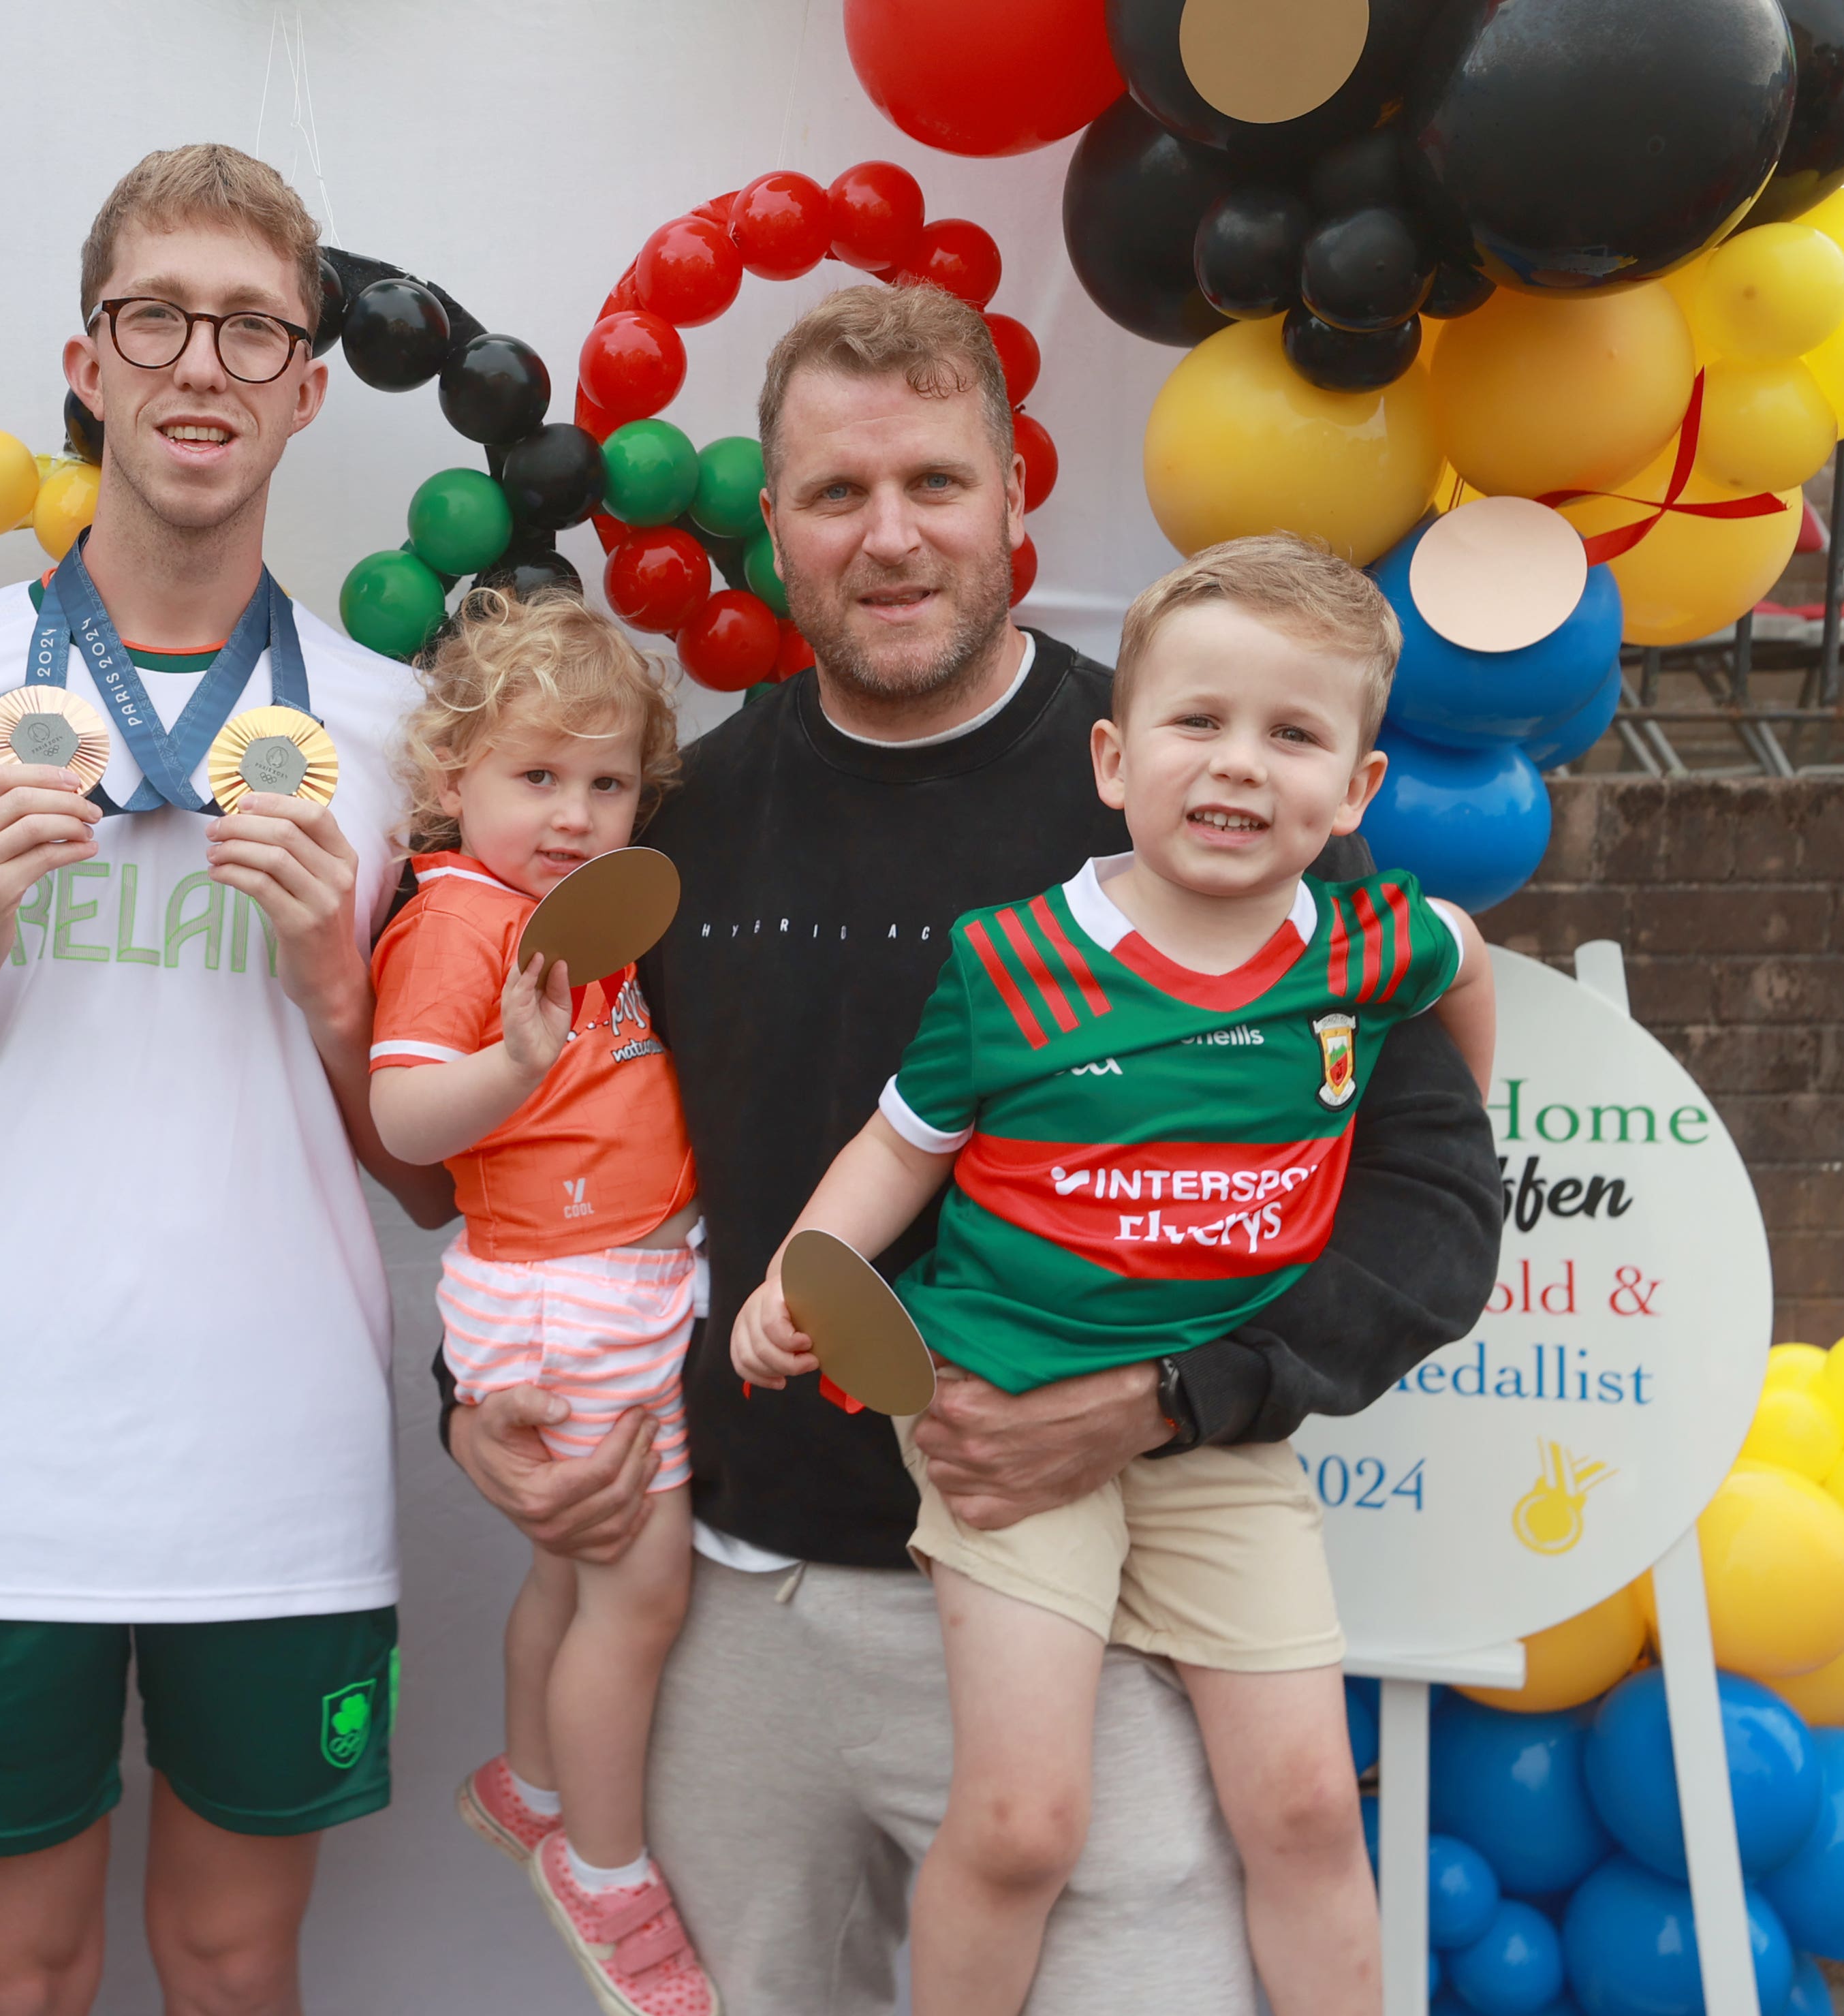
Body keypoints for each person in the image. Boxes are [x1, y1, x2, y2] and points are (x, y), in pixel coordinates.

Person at [442, 283, 1505, 2014]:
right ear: (770, 524)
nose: (888, 537)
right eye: (834, 494)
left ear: (1014, 494)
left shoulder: (1195, 777)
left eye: (934, 482)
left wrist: (1178, 1398)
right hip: (742, 1607)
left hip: (1107, 1606)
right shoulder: (679, 826)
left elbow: (1437, 1209)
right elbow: (545, 1152)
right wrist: (476, 1396)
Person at [0, 144, 450, 2016]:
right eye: (157, 315)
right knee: (13, 1975)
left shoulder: (398, 724)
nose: (202, 364)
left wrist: (335, 991)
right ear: (85, 362)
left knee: (235, 1963)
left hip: (277, 1465)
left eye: (253, 328)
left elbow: (429, 1178)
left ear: (309, 387)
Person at [732, 536, 1496, 2015]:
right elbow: (899, 1149)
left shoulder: (1369, 945)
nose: (1236, 765)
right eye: (1196, 721)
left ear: (1354, 791)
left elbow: (1462, 967)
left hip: (1219, 1437)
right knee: (1025, 1826)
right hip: (996, 1411)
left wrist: (1461, 1085)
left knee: (1306, 1814)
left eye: (1292, 735)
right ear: (1112, 754)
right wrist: (796, 1281)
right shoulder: (1007, 960)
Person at [366, 589, 713, 2015]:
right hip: (565, 1296)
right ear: (454, 781)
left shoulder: (563, 912)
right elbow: (400, 1117)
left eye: (605, 781)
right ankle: (605, 1865)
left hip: (593, 1283)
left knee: (567, 1575)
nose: (573, 813)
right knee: (640, 1591)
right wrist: (506, 1073)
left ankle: (526, 1780)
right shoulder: (460, 920)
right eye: (535, 776)